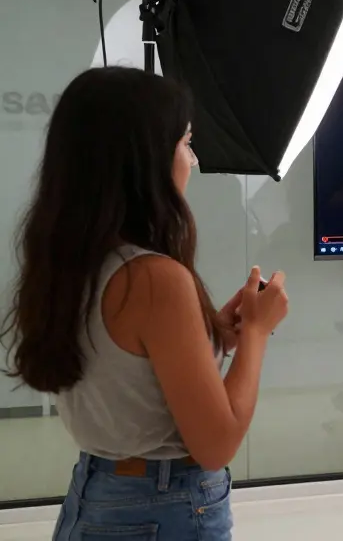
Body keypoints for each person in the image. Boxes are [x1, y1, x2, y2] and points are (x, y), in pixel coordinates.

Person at [0, 67, 289, 541]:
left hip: (98, 496)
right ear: (146, 159)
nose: (192, 161)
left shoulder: (77, 260)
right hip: (162, 509)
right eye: (186, 144)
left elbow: (127, 369)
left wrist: (213, 333)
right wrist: (257, 332)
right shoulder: (155, 279)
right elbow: (217, 444)